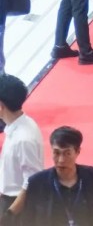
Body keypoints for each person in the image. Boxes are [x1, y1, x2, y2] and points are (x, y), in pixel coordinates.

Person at [20, 126, 93, 226]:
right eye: (56, 153)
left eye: (67, 153)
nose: (61, 160)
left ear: (77, 152)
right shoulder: (37, 183)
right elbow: (28, 220)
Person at [0, 74, 44, 218]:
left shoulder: (23, 139)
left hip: (17, 207)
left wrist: (9, 215)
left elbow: (32, 183)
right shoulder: (17, 125)